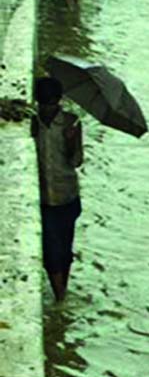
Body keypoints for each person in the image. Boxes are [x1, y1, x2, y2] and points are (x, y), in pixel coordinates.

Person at [31, 76, 83, 302]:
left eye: (50, 104)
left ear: (58, 101)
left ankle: (62, 290)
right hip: (43, 198)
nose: (47, 109)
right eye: (43, 104)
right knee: (51, 252)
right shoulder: (33, 124)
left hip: (67, 196)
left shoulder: (71, 123)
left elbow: (77, 161)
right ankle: (60, 296)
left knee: (64, 249)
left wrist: (71, 142)